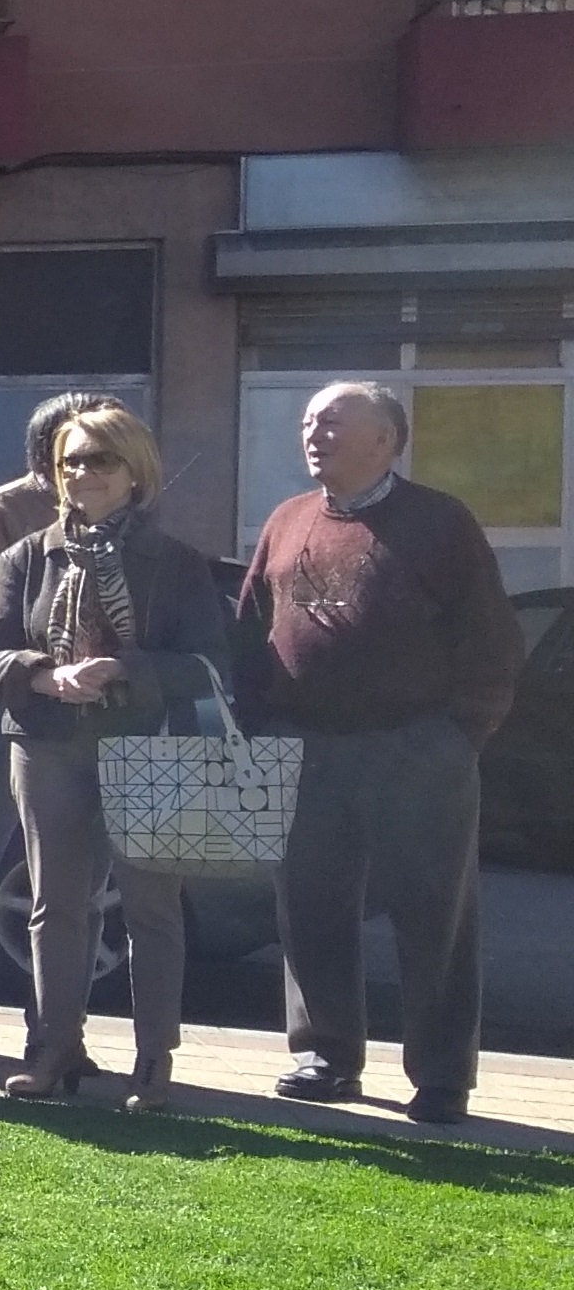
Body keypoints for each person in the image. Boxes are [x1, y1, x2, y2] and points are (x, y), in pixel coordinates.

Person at [235, 379, 523, 1125]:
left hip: (417, 750)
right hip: (307, 750)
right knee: (311, 909)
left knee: (435, 916)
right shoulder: (288, 520)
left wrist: (459, 735)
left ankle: (441, 1075)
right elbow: (248, 630)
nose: (313, 433)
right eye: (307, 422)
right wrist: (262, 726)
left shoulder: (438, 522)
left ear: (385, 441)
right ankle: (326, 1056)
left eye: (332, 421)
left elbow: (491, 640)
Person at [0, 405, 232, 1110]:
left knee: (152, 908)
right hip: (49, 744)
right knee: (56, 906)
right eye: (71, 462)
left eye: (100, 461)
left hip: (149, 747)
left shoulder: (174, 563)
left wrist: (125, 669)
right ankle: (55, 1049)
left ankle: (152, 1061)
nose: (84, 474)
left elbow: (211, 662)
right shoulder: (26, 556)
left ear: (135, 472)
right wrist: (43, 673)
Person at [0, 393, 82, 642]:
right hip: (24, 672)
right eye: (76, 458)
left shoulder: (125, 504)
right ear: (49, 454)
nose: (89, 471)